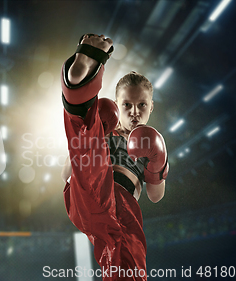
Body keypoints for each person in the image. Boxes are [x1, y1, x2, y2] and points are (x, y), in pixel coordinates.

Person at [60, 33, 169, 281]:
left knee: (119, 264)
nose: (134, 112)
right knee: (93, 129)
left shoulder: (151, 142)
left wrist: (159, 165)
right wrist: (98, 131)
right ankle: (83, 86)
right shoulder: (107, 128)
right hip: (92, 189)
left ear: (151, 107)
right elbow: (67, 174)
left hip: (106, 211)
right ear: (119, 106)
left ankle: (78, 87)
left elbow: (155, 196)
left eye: (142, 105)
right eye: (127, 105)